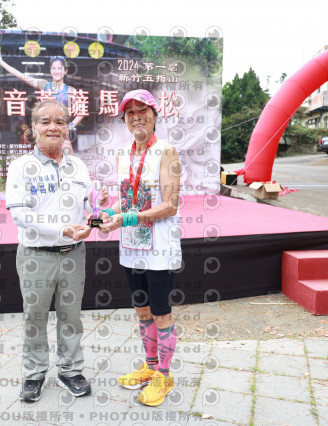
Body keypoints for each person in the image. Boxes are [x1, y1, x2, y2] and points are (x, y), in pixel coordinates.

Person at [5, 98, 107, 402]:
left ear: (67, 129)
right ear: (33, 127)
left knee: (71, 316)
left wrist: (98, 217)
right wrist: (61, 229)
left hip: (74, 254)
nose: (53, 127)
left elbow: (89, 207)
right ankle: (34, 374)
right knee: (34, 317)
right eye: (45, 121)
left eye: (60, 121)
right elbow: (20, 214)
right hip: (36, 256)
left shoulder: (78, 166)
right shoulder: (21, 167)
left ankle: (70, 371)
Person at [98, 89, 182, 407]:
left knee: (161, 314)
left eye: (142, 110)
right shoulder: (124, 154)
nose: (136, 117)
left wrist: (128, 217)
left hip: (159, 250)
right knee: (142, 311)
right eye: (129, 112)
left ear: (155, 115)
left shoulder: (166, 151)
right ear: (124, 119)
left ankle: (165, 375)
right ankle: (150, 367)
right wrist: (105, 214)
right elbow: (125, 199)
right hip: (132, 247)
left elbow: (171, 205)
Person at [0, 53, 83, 154]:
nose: (56, 71)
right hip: (46, 132)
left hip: (62, 133)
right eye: (53, 68)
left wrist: (71, 125)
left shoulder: (70, 90)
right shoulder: (44, 85)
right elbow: (21, 76)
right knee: (45, 160)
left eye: (59, 68)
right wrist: (0, 62)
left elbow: (81, 111)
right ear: (50, 70)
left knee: (68, 160)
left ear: (65, 71)